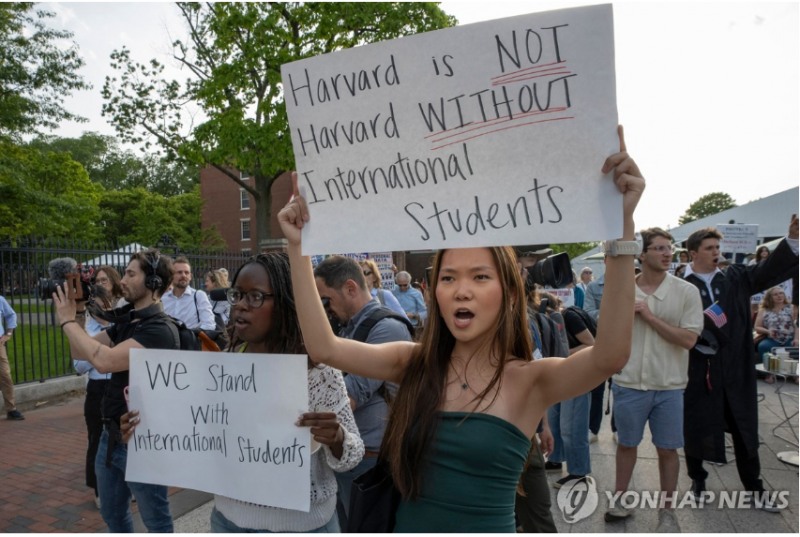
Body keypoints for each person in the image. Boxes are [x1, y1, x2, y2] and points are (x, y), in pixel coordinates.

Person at [278, 126, 645, 532]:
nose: (461, 291)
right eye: (449, 278)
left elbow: (611, 354)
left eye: (480, 278)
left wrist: (621, 226)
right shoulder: (413, 362)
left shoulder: (531, 381)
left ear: (508, 293)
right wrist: (297, 247)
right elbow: (324, 346)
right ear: (434, 292)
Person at [130, 252, 364, 532]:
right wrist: (145, 431)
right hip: (228, 521)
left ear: (287, 304)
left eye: (255, 297)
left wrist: (337, 437)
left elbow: (353, 455)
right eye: (237, 294)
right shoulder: (222, 367)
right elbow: (198, 434)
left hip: (303, 526)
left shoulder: (316, 372)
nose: (240, 305)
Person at [52, 249, 178, 532]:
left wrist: (67, 320)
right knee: (113, 515)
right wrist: (81, 312)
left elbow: (104, 360)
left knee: (156, 521)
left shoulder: (158, 329)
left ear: (154, 282)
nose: (124, 280)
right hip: (110, 437)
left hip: (142, 444)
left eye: (132, 274)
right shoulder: (127, 323)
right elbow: (80, 351)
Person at [682, 216, 799, 511]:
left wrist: (792, 240)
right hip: (699, 369)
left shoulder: (734, 277)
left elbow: (767, 270)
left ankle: (756, 488)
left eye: (717, 246)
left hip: (736, 366)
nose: (716, 251)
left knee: (744, 428)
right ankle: (697, 479)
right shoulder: (681, 286)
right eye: (709, 247)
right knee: (696, 426)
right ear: (693, 253)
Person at [604, 228, 702, 531]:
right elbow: (606, 331)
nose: (667, 253)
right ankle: (619, 499)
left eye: (668, 248)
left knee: (668, 449)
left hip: (669, 386)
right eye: (658, 248)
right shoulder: (622, 289)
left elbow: (688, 339)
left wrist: (649, 316)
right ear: (641, 253)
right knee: (627, 444)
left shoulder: (686, 291)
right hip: (629, 382)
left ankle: (667, 511)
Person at [313, 255, 413, 529]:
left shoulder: (388, 328)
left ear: (350, 288)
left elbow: (349, 397)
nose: (325, 309)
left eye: (326, 300)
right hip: (349, 450)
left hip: (372, 456)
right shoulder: (348, 326)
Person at [73, 266, 124, 508]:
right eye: (97, 280)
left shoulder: (124, 316)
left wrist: (97, 351)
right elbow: (80, 365)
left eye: (105, 279)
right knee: (96, 439)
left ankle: (126, 485)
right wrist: (100, 352)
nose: (101, 283)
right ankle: (98, 489)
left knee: (125, 439)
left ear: (114, 283)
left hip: (121, 384)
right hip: (97, 389)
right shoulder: (87, 323)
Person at [538, 291, 595, 489]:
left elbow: (592, 344)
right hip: (558, 374)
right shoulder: (543, 321)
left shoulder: (569, 317)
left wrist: (560, 354)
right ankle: (555, 459)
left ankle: (578, 473)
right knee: (554, 419)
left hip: (578, 376)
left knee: (572, 427)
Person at [754, 286, 797, 384]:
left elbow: (797, 326)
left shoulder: (791, 308)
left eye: (781, 293)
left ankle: (795, 376)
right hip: (772, 339)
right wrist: (768, 331)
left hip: (789, 338)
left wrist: (796, 339)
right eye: (776, 294)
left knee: (795, 346)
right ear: (770, 297)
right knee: (763, 346)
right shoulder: (764, 310)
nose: (779, 296)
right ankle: (769, 374)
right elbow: (757, 327)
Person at [162, 256, 216, 330]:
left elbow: (209, 325)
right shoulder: (163, 299)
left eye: (186, 272)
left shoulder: (199, 296)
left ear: (190, 276)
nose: (183, 275)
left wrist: (190, 334)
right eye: (179, 272)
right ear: (171, 276)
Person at [0, 294, 23, 420]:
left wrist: (8, 333)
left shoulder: (0, 300)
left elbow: (11, 315)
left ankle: (11, 409)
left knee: (5, 375)